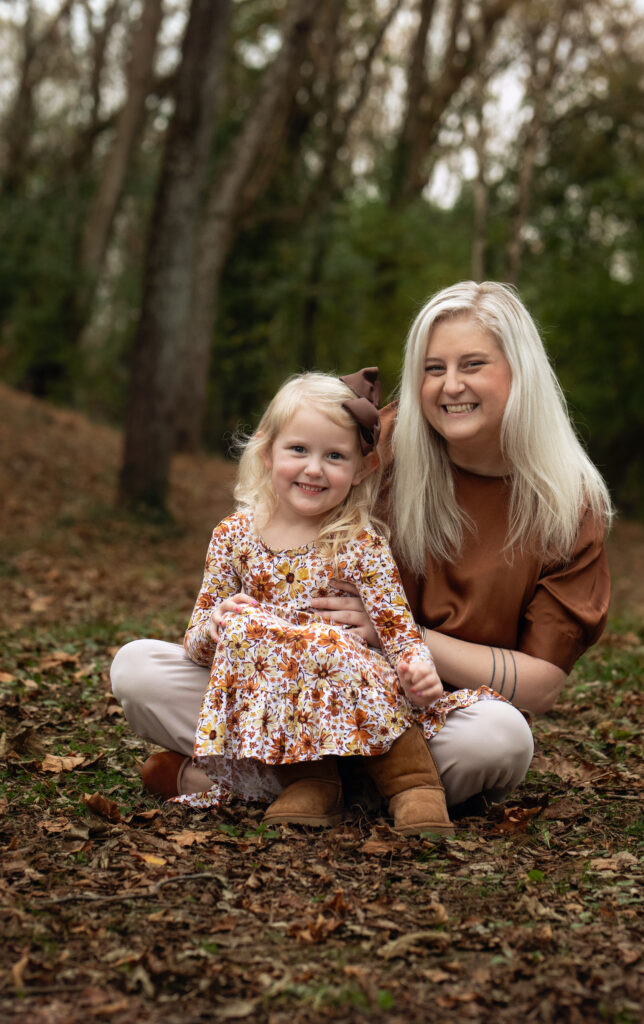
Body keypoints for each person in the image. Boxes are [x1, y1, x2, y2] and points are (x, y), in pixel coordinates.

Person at [111, 281, 611, 811]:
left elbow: (541, 685)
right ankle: (359, 788)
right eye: (433, 368)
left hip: (430, 710)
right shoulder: (379, 440)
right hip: (299, 678)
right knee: (139, 669)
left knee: (498, 739)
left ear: (520, 371)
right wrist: (235, 619)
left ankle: (273, 779)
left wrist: (399, 635)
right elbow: (287, 486)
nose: (450, 386)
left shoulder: (568, 504)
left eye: (472, 365)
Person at [155, 368, 496, 833]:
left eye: (334, 456)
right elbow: (195, 644)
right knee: (235, 632)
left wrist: (417, 668)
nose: (314, 469)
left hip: (354, 686)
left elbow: (397, 629)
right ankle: (312, 782)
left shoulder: (358, 543)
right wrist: (216, 625)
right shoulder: (234, 536)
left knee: (332, 648)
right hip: (273, 697)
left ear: (362, 469)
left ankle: (413, 784)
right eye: (298, 449)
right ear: (266, 452)